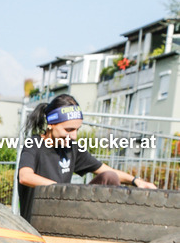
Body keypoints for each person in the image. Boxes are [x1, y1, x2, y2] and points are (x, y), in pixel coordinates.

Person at [17, 94, 156, 219]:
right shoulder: (34, 144)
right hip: (39, 217)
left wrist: (136, 181)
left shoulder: (72, 148)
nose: (74, 136)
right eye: (69, 130)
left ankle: (114, 224)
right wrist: (61, 189)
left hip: (66, 212)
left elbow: (106, 171)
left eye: (77, 130)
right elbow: (25, 176)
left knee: (109, 177)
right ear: (51, 124)